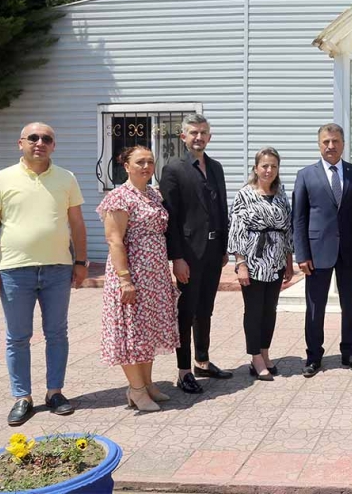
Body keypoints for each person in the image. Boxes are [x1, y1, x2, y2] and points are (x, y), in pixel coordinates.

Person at [0, 123, 87, 425]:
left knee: (57, 333)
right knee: (18, 337)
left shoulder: (66, 178)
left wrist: (81, 262)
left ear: (54, 145)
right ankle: (22, 397)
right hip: (15, 270)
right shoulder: (1, 179)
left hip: (58, 269)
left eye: (47, 138)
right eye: (33, 138)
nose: (40, 142)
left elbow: (77, 223)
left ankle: (55, 393)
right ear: (21, 143)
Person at [98, 146, 180, 412]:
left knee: (147, 331)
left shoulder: (153, 195)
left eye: (150, 162)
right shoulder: (119, 197)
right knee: (132, 333)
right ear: (126, 166)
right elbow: (114, 240)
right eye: (139, 162)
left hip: (154, 275)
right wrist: (125, 279)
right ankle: (136, 389)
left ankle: (147, 384)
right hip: (131, 274)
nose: (146, 166)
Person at [160, 113, 232, 394]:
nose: (199, 137)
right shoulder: (173, 169)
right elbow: (171, 218)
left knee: (205, 309)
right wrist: (177, 258)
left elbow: (222, 208)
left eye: (203, 132)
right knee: (187, 311)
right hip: (189, 254)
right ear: (183, 137)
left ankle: (202, 361)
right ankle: (184, 371)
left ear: (209, 137)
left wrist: (224, 248)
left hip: (214, 251)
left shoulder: (216, 168)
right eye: (193, 132)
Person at [293, 123, 352, 377]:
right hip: (317, 252)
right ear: (319, 144)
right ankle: (314, 356)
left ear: (343, 144)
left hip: (350, 251)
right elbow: (299, 218)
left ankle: (350, 353)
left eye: (335, 141)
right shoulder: (306, 175)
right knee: (316, 307)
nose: (331, 146)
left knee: (351, 305)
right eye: (326, 141)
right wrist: (302, 254)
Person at [228, 148, 295, 381]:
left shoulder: (280, 194)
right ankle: (255, 356)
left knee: (269, 310)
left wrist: (289, 261)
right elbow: (236, 230)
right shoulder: (245, 194)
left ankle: (265, 352)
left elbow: (287, 229)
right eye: (264, 166)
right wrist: (240, 264)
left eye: (273, 166)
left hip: (276, 260)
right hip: (253, 260)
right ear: (256, 168)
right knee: (254, 310)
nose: (269, 170)